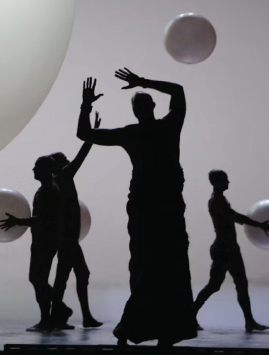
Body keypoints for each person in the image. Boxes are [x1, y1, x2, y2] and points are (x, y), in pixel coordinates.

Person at [76, 70, 197, 346]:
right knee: (152, 265)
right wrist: (86, 105)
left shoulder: (160, 128)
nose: (140, 109)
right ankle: (141, 328)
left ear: (151, 106)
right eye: (138, 105)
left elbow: (177, 90)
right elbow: (84, 133)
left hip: (162, 206)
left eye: (142, 104)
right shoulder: (146, 131)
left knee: (162, 266)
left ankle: (161, 330)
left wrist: (142, 82)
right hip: (150, 207)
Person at [193, 170, 269, 332]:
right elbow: (234, 216)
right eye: (225, 180)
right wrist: (259, 224)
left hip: (230, 248)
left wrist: (257, 224)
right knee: (215, 285)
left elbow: (234, 216)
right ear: (217, 182)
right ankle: (188, 316)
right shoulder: (216, 201)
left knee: (239, 284)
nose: (228, 182)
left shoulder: (220, 199)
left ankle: (249, 321)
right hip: (224, 249)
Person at [49, 112, 103, 330]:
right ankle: (70, 316)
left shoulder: (58, 180)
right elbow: (81, 157)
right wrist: (92, 135)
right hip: (68, 238)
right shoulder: (63, 177)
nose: (68, 162)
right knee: (72, 275)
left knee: (69, 275)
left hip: (67, 237)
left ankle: (63, 315)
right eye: (64, 160)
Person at [0, 155, 62, 332]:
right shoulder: (46, 189)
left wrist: (18, 221)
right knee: (38, 278)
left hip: (45, 241)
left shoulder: (49, 191)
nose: (33, 170)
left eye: (37, 167)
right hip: (43, 240)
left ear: (46, 170)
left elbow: (44, 218)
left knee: (37, 278)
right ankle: (55, 312)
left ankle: (48, 318)